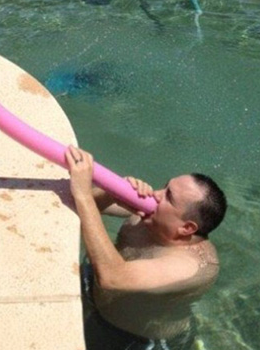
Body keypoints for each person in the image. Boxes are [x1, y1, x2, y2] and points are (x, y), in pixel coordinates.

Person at [65, 145, 227, 350]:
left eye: (168, 197)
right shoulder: (148, 219)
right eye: (165, 186)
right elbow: (81, 206)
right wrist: (113, 193)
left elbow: (112, 278)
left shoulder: (188, 265)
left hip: (135, 340)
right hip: (97, 298)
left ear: (186, 227)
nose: (157, 194)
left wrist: (83, 195)